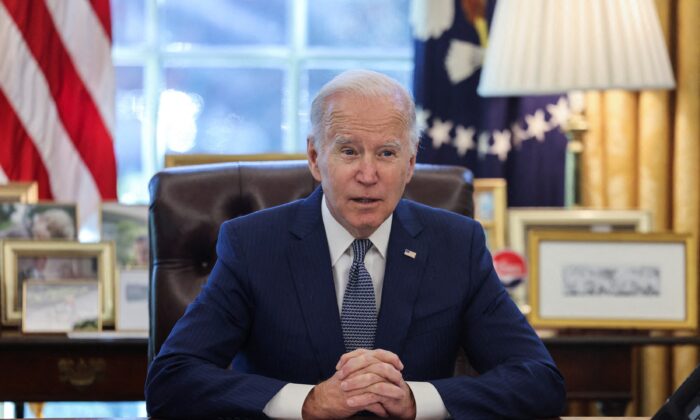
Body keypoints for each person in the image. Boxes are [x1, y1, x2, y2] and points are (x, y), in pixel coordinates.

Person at [145, 70, 566, 419]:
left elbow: (539, 382)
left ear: (411, 163)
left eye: (386, 153)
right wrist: (308, 402)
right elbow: (172, 381)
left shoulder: (456, 245)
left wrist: (416, 401)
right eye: (348, 151)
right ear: (315, 157)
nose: (368, 174)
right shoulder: (254, 245)